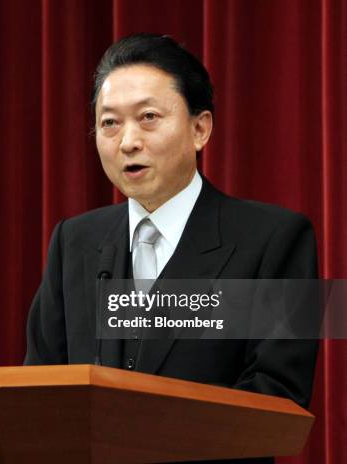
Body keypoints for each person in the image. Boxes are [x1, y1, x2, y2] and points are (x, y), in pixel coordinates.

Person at [24, 33, 318, 464]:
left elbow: (278, 396)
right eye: (109, 123)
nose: (127, 142)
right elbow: (41, 386)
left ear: (200, 129)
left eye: (147, 117)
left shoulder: (277, 237)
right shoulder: (73, 241)